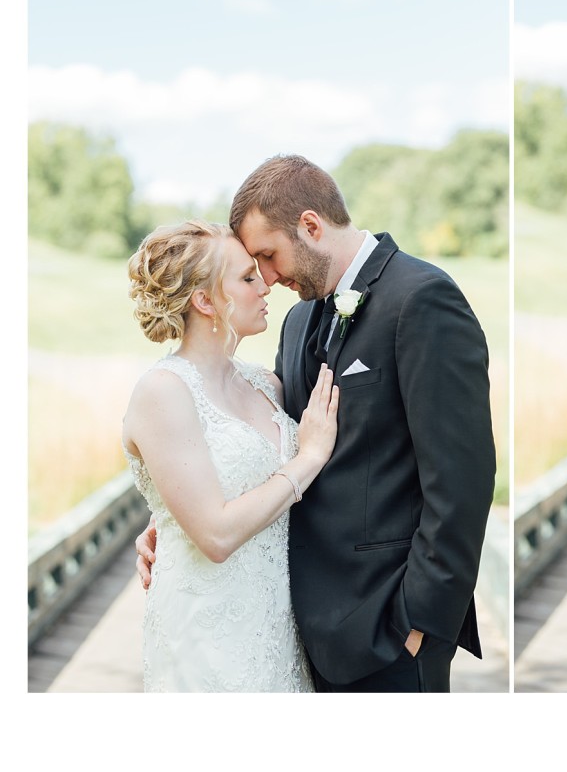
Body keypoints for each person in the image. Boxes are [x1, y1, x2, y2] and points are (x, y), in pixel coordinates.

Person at [138, 156, 495, 692]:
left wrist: (419, 622)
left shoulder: (421, 299)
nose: (269, 277)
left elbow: (461, 481)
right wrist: (173, 514)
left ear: (310, 226)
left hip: (389, 631)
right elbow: (273, 443)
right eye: (253, 268)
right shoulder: (298, 320)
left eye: (268, 256)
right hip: (300, 634)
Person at [123, 219, 339, 692]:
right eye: (245, 278)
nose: (265, 285)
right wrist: (310, 456)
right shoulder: (163, 390)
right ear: (204, 301)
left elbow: (239, 485)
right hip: (206, 633)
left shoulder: (266, 384)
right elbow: (216, 536)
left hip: (278, 628)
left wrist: (167, 518)